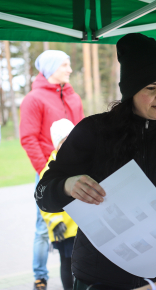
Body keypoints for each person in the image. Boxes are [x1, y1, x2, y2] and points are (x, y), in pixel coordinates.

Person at [35, 33, 156, 290]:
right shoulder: (94, 131)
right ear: (131, 90)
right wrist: (67, 185)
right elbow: (43, 194)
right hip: (99, 278)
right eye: (151, 87)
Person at [20, 50, 84, 290]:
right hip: (49, 170)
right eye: (64, 65)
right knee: (44, 228)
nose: (69, 69)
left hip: (75, 168)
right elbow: (28, 138)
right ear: (51, 68)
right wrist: (47, 173)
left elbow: (83, 132)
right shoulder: (33, 99)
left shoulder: (73, 97)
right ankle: (40, 276)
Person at [40, 119, 78, 290]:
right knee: (67, 262)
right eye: (65, 142)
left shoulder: (81, 161)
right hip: (64, 229)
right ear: (57, 145)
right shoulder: (50, 169)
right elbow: (44, 200)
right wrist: (56, 224)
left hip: (81, 226)